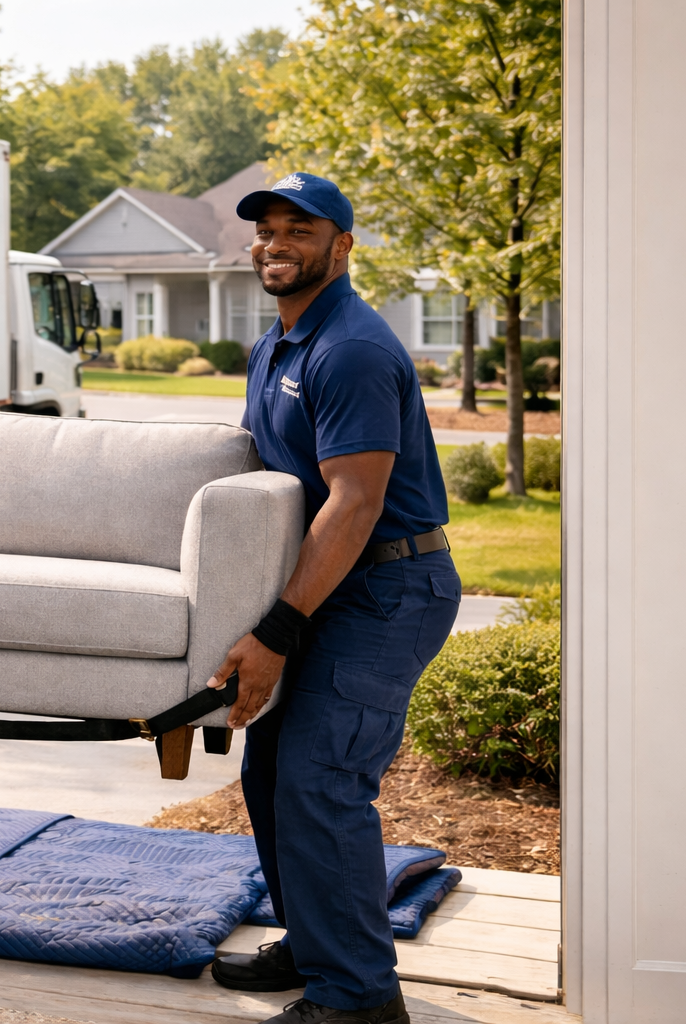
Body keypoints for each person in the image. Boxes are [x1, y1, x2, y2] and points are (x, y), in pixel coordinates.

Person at [204, 174, 460, 1024]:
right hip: (332, 581)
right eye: (265, 229)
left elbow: (355, 503)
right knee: (272, 769)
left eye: (299, 229)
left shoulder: (350, 348)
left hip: (389, 588)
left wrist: (275, 628)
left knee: (321, 778)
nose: (276, 242)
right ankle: (317, 945)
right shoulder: (279, 342)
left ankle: (358, 999)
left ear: (342, 247)